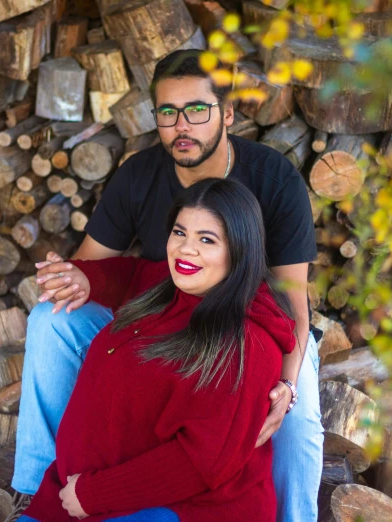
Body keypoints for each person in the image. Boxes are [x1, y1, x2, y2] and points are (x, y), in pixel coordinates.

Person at [14, 49, 323, 521]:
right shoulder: (139, 173)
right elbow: (103, 270)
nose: (183, 125)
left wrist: (286, 383)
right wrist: (76, 276)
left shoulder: (273, 179)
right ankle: (41, 488)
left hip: (261, 330)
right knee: (50, 319)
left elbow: (293, 304)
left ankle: (295, 516)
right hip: (171, 316)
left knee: (292, 421)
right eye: (168, 112)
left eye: (197, 110)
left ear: (227, 113)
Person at [18, 179, 297, 522]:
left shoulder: (246, 344)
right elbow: (134, 274)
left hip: (174, 511)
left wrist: (94, 494)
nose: (185, 249)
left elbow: (201, 464)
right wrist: (86, 277)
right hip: (73, 496)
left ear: (240, 250)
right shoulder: (171, 287)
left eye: (206, 240)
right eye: (180, 233)